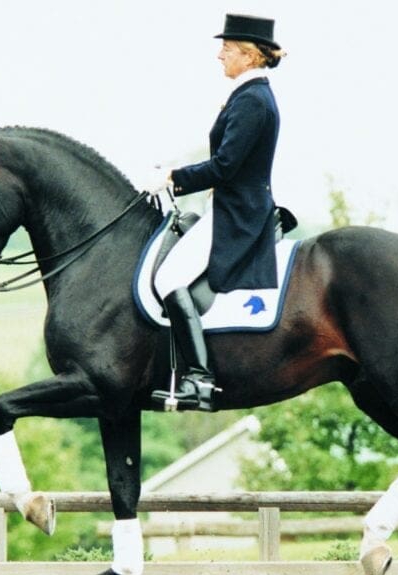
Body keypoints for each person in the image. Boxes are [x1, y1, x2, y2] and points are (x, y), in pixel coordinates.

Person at [149, 14, 286, 411]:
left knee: (169, 277)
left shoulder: (253, 101)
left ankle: (199, 380)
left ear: (248, 54)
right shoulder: (248, 96)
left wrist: (172, 178)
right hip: (230, 206)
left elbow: (225, 166)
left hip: (238, 214)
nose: (219, 55)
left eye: (226, 49)